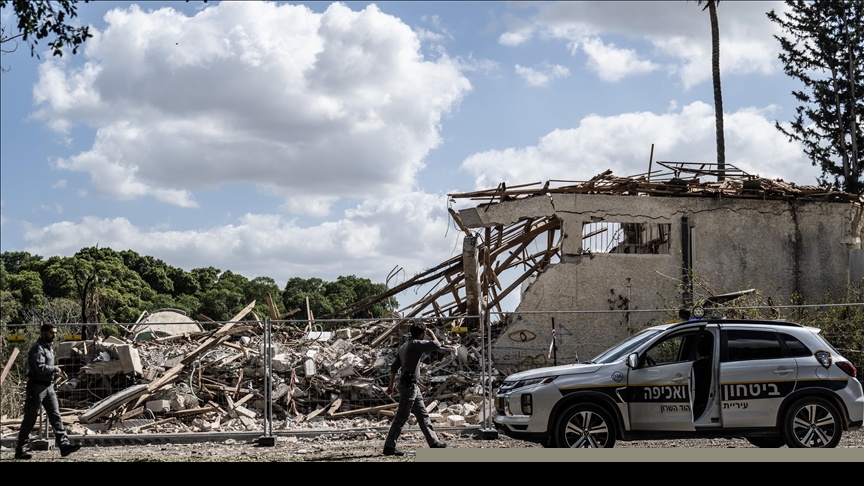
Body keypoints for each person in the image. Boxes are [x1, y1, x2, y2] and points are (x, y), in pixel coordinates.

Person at [15, 324, 81, 460]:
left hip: (48, 387)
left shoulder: (48, 347)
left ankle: (64, 445)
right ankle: (20, 450)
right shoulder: (37, 348)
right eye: (52, 333)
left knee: (55, 416)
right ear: (44, 333)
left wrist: (53, 371)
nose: (54, 335)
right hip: (37, 388)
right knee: (30, 419)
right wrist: (55, 369)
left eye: (55, 333)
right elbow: (40, 368)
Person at [382, 321, 447, 456]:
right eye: (424, 333)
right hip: (409, 386)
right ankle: (389, 447)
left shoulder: (404, 346)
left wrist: (391, 385)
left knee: (423, 415)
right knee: (401, 416)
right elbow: (437, 345)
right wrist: (431, 334)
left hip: (412, 386)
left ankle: (434, 443)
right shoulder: (415, 344)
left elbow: (394, 367)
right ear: (422, 333)